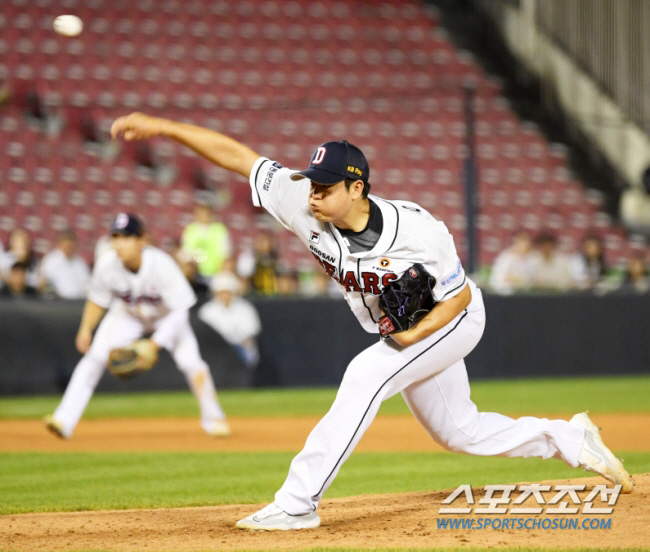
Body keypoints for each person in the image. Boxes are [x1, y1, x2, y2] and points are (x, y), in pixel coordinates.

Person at [111, 112, 632, 531]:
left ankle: (298, 502)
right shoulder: (302, 203)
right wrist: (164, 127)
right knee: (459, 431)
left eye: (325, 185)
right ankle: (569, 439)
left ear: (357, 189)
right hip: (408, 327)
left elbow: (460, 298)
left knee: (366, 375)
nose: (312, 192)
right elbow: (241, 159)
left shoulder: (419, 230)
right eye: (311, 182)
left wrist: (412, 334)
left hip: (452, 319)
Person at [44, 213, 230, 439]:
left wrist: (154, 344)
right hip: (128, 315)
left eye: (126, 237)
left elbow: (181, 310)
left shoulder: (162, 265)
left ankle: (214, 419)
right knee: (94, 358)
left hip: (167, 317)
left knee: (192, 364)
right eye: (115, 237)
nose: (119, 243)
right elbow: (97, 299)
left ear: (142, 240)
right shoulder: (107, 264)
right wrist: (86, 328)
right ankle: (64, 420)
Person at [198, 271, 262, 372]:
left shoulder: (245, 308)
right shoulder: (207, 310)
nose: (225, 296)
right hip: (214, 349)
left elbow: (250, 333)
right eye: (222, 292)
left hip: (238, 348)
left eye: (228, 292)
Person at [181, 201, 232, 284]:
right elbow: (186, 252)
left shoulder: (220, 229)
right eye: (199, 214)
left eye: (205, 213)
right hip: (195, 273)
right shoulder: (191, 229)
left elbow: (226, 253)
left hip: (216, 272)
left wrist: (221, 272)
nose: (202, 216)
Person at [40, 228, 90, 299]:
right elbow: (44, 285)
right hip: (57, 303)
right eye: (66, 244)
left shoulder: (80, 263)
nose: (69, 248)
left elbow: (86, 286)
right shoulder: (51, 260)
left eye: (71, 245)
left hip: (77, 303)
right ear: (60, 244)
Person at [488, 230, 534, 295]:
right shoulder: (506, 256)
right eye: (521, 240)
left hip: (526, 296)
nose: (524, 244)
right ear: (514, 242)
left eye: (526, 240)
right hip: (506, 296)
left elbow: (531, 280)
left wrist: (519, 279)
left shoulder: (532, 258)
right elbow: (496, 279)